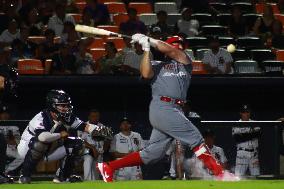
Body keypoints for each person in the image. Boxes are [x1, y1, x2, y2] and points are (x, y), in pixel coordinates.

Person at [97, 33, 240, 182]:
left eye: (180, 44)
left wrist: (150, 40)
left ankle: (109, 167)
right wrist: (146, 49)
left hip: (175, 109)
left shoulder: (185, 62)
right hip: (162, 107)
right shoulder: (157, 65)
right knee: (196, 138)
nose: (178, 46)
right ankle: (220, 174)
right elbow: (145, 73)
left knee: (152, 154)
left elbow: (172, 51)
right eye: (174, 43)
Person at [17, 89, 112, 184]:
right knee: (39, 143)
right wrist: (60, 134)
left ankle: (62, 177)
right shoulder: (40, 118)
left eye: (67, 105)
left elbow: (85, 126)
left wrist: (98, 129)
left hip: (49, 149)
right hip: (27, 149)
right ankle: (24, 175)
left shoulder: (67, 117)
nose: (66, 108)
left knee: (78, 144)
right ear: (53, 105)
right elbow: (43, 137)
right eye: (62, 105)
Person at [80, 109, 111, 180]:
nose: (95, 118)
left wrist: (103, 149)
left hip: (99, 153)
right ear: (89, 117)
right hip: (87, 152)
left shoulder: (102, 127)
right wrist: (92, 148)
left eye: (97, 116)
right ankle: (87, 183)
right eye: (93, 116)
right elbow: (81, 140)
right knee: (87, 163)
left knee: (96, 176)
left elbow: (108, 140)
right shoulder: (83, 126)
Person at [232, 104, 260, 177]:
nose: (246, 114)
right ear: (240, 113)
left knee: (256, 178)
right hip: (242, 154)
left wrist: (243, 135)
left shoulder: (255, 123)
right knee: (238, 178)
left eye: (247, 112)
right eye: (244, 112)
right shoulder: (236, 124)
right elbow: (237, 138)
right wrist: (251, 134)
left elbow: (258, 134)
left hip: (254, 154)